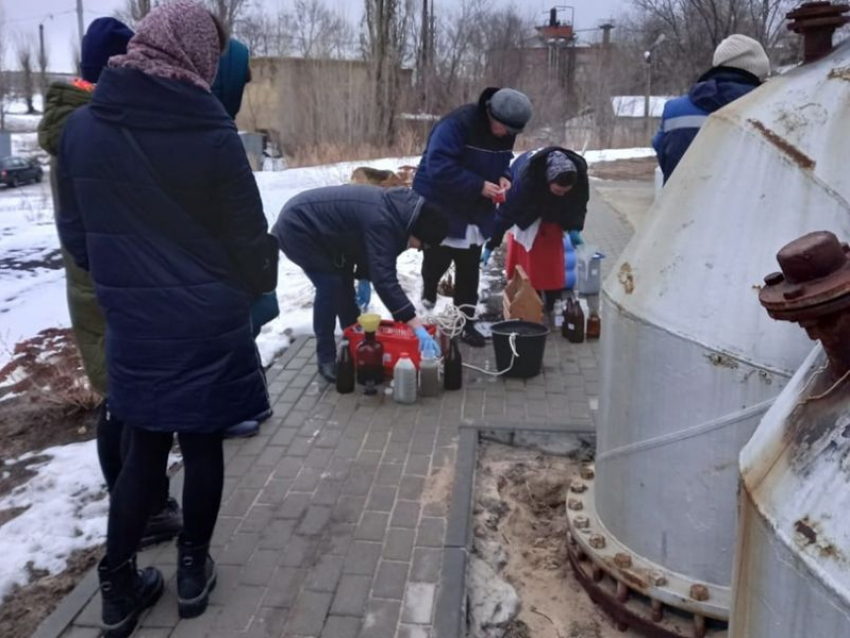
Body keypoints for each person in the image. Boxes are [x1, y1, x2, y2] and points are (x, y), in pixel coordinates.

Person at [56, 2, 277, 633]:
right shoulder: (211, 135)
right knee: (204, 446)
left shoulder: (82, 132)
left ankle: (117, 587)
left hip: (134, 325)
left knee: (143, 450)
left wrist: (134, 284)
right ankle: (190, 570)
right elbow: (249, 244)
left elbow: (80, 242)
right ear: (199, 58)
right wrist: (256, 274)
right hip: (207, 324)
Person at [37, 17, 182, 548]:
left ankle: (140, 503)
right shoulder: (92, 125)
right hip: (110, 283)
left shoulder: (80, 121)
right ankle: (138, 512)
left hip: (101, 278)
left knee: (122, 400)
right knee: (127, 404)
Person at [271, 185, 449, 383]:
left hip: (329, 236)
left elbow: (370, 251)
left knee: (343, 285)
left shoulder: (400, 215)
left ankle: (354, 344)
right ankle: (326, 357)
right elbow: (384, 279)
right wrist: (414, 325)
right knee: (330, 286)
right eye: (422, 245)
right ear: (419, 231)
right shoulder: (385, 221)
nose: (417, 250)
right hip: (299, 227)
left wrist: (364, 275)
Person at [413, 87, 532, 347]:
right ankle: (429, 288)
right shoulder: (456, 125)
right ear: (491, 114)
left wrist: (505, 177)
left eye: (512, 132)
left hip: (475, 206)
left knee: (469, 268)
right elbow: (438, 167)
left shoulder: (505, 131)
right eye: (505, 129)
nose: (507, 136)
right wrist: (479, 185)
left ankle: (465, 322)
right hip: (441, 200)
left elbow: (503, 161)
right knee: (438, 258)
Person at [209, 36, 275, 439]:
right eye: (241, 84)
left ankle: (239, 403)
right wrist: (259, 270)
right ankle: (222, 413)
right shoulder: (206, 131)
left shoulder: (214, 125)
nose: (243, 93)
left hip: (219, 266)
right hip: (208, 269)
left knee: (239, 332)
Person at [482, 147, 589, 311]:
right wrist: (491, 243)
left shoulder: (579, 177)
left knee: (552, 261)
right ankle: (532, 298)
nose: (562, 195)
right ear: (548, 181)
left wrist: (574, 227)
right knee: (531, 262)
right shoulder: (525, 182)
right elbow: (506, 212)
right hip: (528, 207)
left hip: (549, 208)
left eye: (566, 192)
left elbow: (578, 204)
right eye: (558, 191)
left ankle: (552, 301)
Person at [653, 34, 770, 182]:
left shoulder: (674, 110)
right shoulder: (770, 108)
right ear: (757, 71)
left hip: (681, 203)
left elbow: (662, 152)